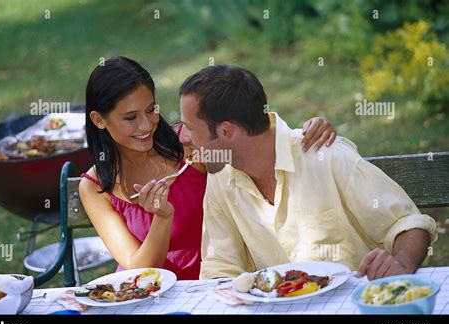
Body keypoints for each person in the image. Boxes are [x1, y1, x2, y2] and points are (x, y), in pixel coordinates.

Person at [79, 57, 336, 280]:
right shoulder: (94, 187)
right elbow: (139, 269)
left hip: (218, 282)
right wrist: (162, 217)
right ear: (99, 119)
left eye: (150, 110)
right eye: (130, 118)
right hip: (148, 296)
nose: (146, 125)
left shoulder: (190, 145)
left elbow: (251, 134)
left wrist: (305, 131)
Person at [178, 64, 437, 280]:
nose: (184, 137)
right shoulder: (220, 177)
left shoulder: (326, 155)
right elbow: (220, 269)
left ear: (225, 131)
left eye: (190, 127)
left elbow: (409, 225)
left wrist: (400, 264)